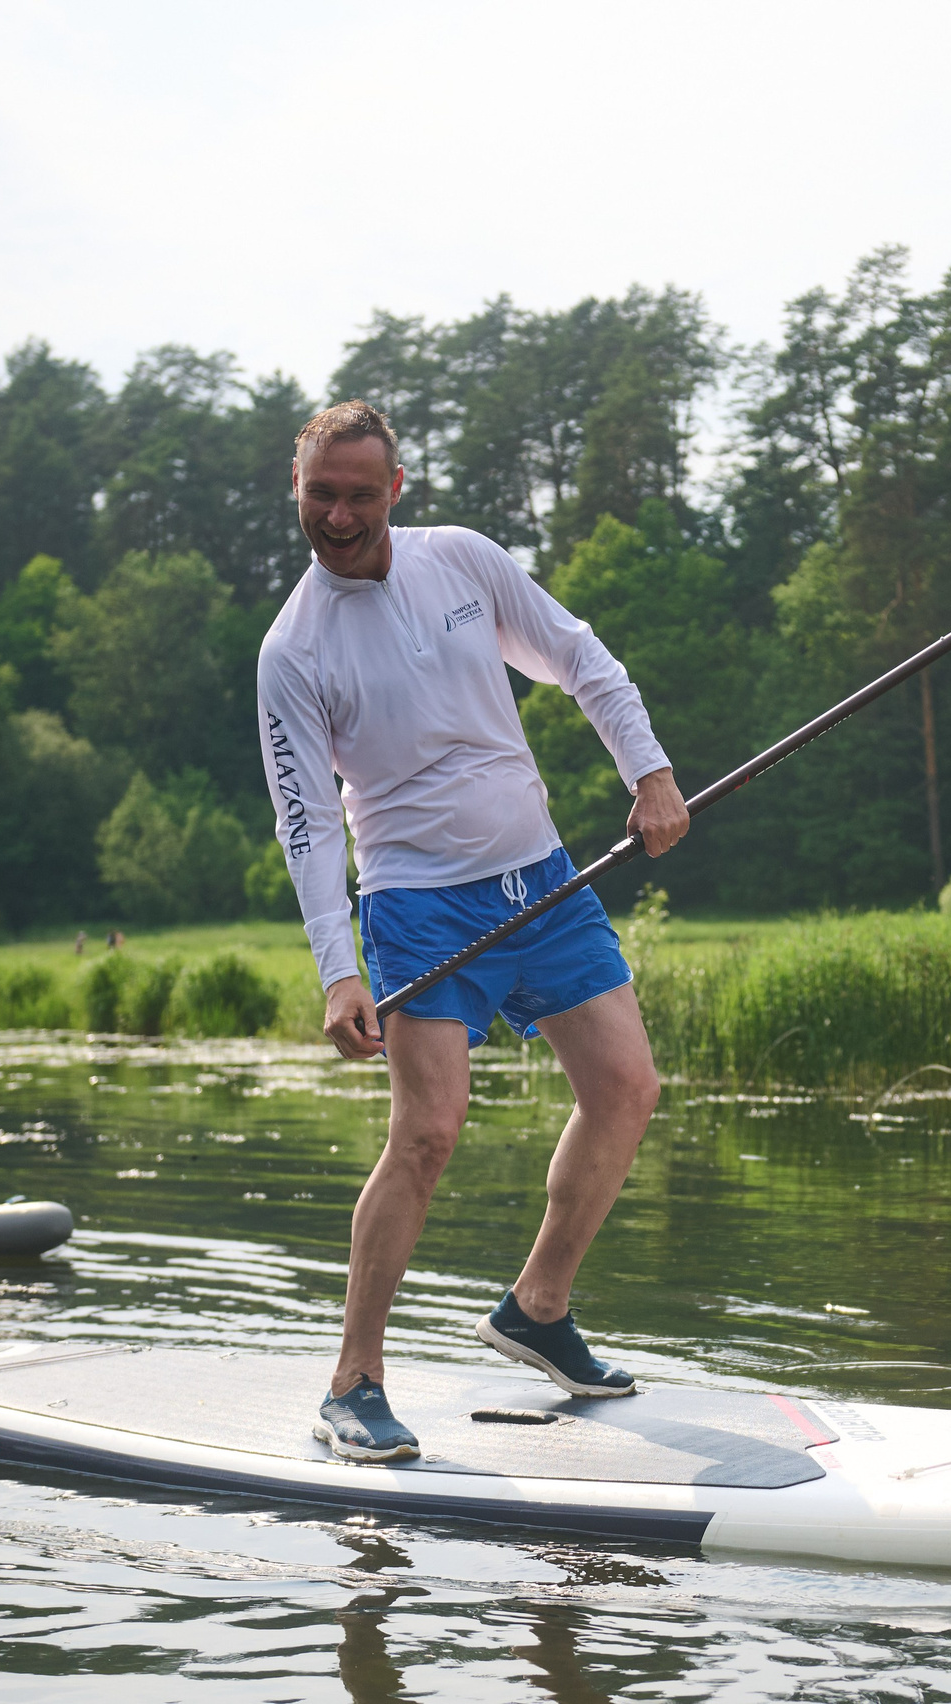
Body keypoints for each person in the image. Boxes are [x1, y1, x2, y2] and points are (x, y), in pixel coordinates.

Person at [258, 400, 688, 1463]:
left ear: (395, 488)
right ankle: (352, 1383)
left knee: (627, 1089)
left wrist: (650, 773)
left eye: (361, 493)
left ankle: (538, 1307)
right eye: (323, 495)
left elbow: (579, 658)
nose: (341, 514)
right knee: (428, 1133)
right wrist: (335, 971)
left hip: (540, 881)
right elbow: (307, 820)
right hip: (415, 903)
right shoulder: (293, 649)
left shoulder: (464, 563)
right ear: (299, 494)